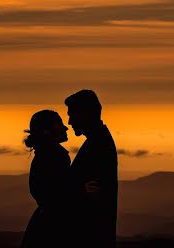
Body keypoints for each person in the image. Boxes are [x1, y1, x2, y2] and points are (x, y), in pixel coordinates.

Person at [66, 89, 118, 247]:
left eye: (71, 115)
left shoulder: (98, 145)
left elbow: (94, 196)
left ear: (85, 114)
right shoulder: (98, 141)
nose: (69, 122)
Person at [21, 109, 71, 248]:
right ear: (46, 131)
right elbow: (61, 194)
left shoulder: (45, 156)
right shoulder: (55, 157)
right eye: (59, 123)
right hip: (52, 227)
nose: (65, 127)